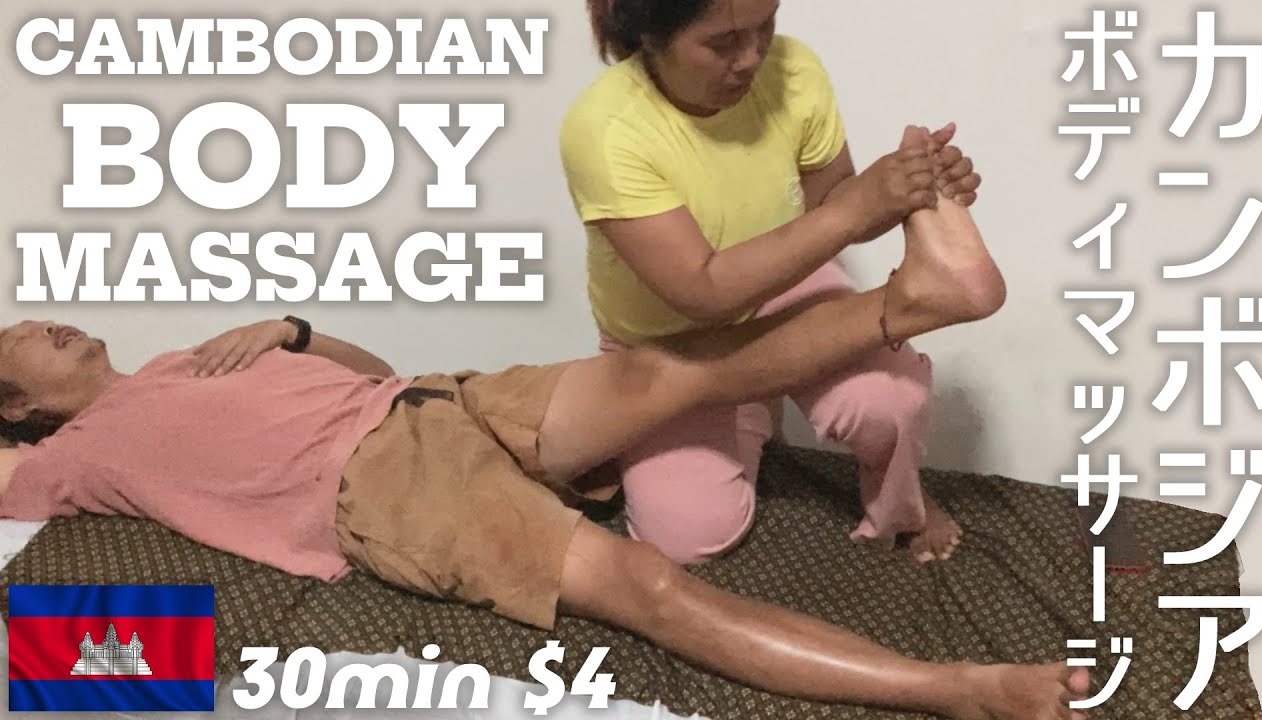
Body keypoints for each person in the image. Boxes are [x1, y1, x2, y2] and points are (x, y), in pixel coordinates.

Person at [0, 151, 1087, 718]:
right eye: (23, 341)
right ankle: (960, 688)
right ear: (16, 408)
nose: (49, 323)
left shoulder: (189, 360)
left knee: (671, 366)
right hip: (386, 493)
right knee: (650, 587)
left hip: (438, 398)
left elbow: (371, 374)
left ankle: (918, 297)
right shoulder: (67, 459)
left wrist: (292, 329)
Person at [560, 0, 986, 565]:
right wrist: (853, 210)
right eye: (723, 42)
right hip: (670, 342)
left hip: (788, 290)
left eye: (766, 24)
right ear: (651, 37)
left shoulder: (794, 71)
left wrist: (904, 187)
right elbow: (702, 292)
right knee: (688, 539)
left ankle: (899, 496)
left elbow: (834, 202)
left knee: (889, 402)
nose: (752, 57)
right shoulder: (606, 129)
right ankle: (752, 401)